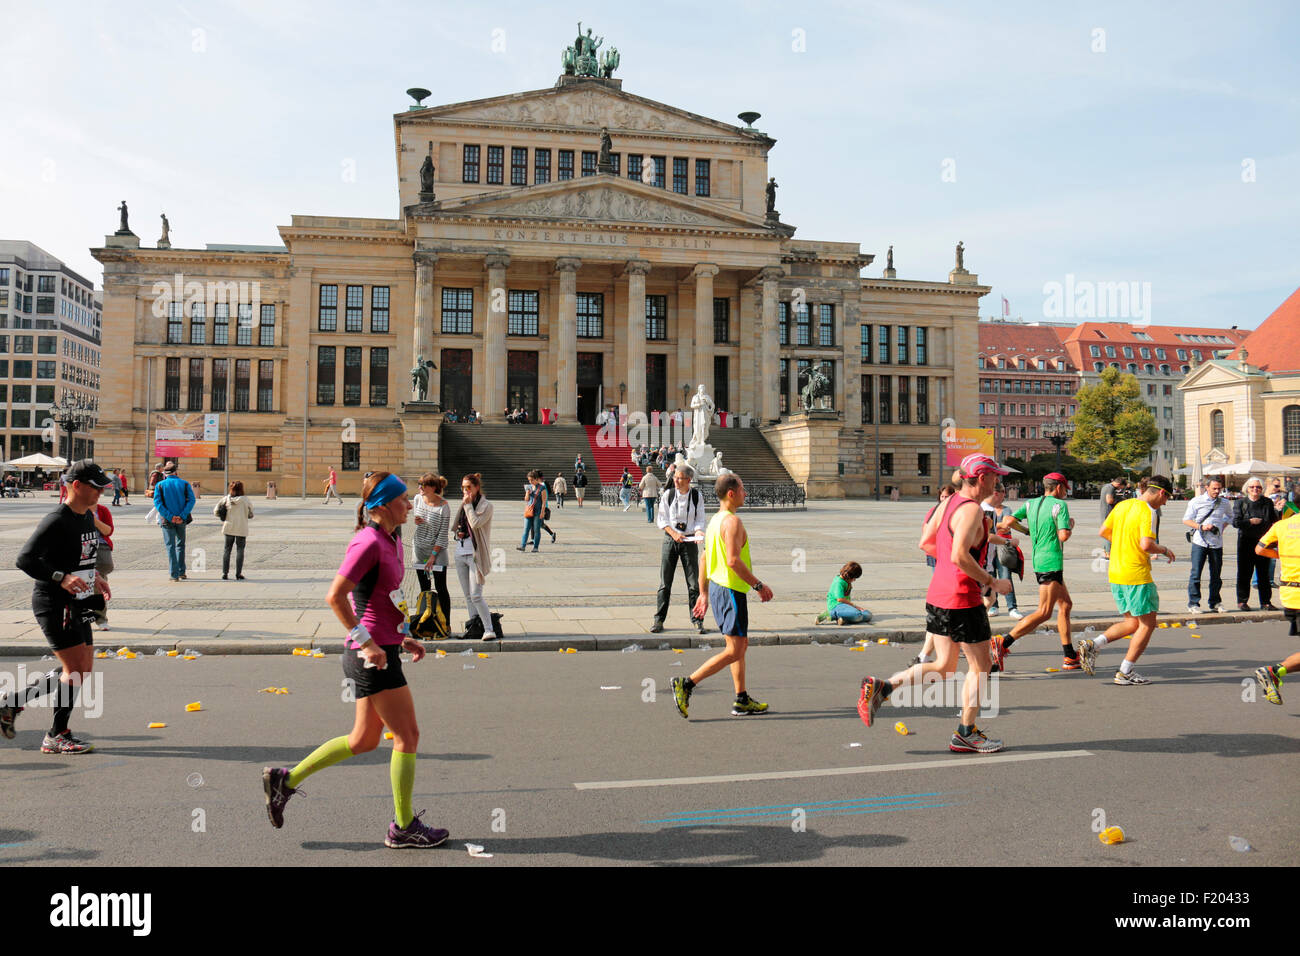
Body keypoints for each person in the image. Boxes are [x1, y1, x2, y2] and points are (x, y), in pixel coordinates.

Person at [261, 470, 446, 849]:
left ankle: (286, 780)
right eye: (402, 500)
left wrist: (401, 637)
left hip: (382, 647)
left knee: (362, 740)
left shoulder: (391, 539)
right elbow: (335, 596)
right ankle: (403, 825)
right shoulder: (367, 543)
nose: (410, 505)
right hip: (370, 657)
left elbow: (378, 600)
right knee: (407, 735)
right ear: (381, 506)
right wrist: (367, 643)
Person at [858, 454, 1013, 754]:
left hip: (938, 594)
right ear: (982, 478)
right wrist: (991, 582)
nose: (998, 482)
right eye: (995, 476)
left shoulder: (948, 502)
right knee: (982, 665)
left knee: (944, 666)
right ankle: (966, 732)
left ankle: (884, 686)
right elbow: (959, 556)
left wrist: (952, 571)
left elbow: (926, 542)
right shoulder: (970, 510)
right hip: (963, 599)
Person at [1, 460, 115, 753]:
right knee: (75, 669)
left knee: (82, 668)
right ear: (76, 486)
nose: (100, 493)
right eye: (96, 487)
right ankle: (56, 734)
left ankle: (12, 703)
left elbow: (81, 558)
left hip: (80, 601)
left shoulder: (86, 517)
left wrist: (97, 577)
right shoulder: (57, 519)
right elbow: (25, 559)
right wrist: (60, 577)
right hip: (54, 602)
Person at [671, 474, 773, 718]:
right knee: (736, 650)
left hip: (718, 588)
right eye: (742, 489)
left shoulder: (715, 521)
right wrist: (759, 586)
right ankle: (686, 683)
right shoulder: (732, 523)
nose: (745, 494)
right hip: (730, 590)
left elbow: (705, 558)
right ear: (731, 493)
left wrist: (704, 593)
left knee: (739, 646)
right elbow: (733, 560)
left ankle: (741, 698)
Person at [1077, 475, 1176, 685]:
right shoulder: (1149, 511)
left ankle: (1094, 644)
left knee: (1132, 622)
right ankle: (1125, 671)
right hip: (1136, 574)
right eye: (1167, 497)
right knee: (1147, 625)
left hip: (1116, 572)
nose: (1166, 502)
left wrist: (1123, 543)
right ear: (1161, 492)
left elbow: (1103, 531)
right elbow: (1147, 545)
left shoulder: (1122, 506)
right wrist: (1165, 550)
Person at [992, 471, 1079, 672]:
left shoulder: (1031, 503)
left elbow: (1007, 522)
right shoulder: (1060, 506)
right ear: (1058, 487)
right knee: (1044, 612)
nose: (1066, 492)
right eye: (1065, 488)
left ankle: (1070, 656)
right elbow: (1064, 536)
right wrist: (1069, 526)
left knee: (1065, 605)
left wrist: (1027, 531)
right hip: (1052, 562)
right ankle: (1003, 643)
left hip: (1040, 559)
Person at [652, 464, 708, 635]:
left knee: (693, 584)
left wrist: (698, 531)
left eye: (679, 478)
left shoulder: (697, 496)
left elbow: (700, 519)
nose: (675, 480)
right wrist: (674, 534)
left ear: (689, 480)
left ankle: (697, 619)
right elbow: (662, 520)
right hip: (671, 540)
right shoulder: (668, 495)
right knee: (665, 583)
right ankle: (659, 619)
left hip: (689, 541)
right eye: (675, 477)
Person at [1253, 506, 1300, 704]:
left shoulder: (1281, 525)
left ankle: (1274, 672)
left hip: (1290, 593)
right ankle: (1274, 671)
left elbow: (1260, 549)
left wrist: (1281, 556)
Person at [453, 473, 500, 640]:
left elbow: (475, 523)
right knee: (467, 595)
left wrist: (467, 506)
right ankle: (474, 626)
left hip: (476, 554)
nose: (465, 491)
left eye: (468, 488)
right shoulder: (465, 503)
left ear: (476, 487)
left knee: (476, 595)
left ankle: (489, 629)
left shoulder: (487, 506)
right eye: (463, 488)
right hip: (460, 552)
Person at [1182, 477, 1233, 613]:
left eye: (1219, 489)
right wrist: (1201, 527)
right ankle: (1193, 603)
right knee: (1196, 573)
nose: (1217, 491)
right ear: (1207, 488)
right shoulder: (1196, 501)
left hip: (1216, 543)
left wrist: (1222, 526)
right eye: (1214, 488)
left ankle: (1215, 602)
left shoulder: (1224, 502)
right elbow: (1186, 520)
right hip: (1199, 542)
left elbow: (1230, 516)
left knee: (1216, 574)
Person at [411, 473, 451, 631]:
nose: (420, 487)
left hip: (437, 551)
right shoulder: (417, 499)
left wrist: (433, 557)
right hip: (419, 548)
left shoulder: (444, 506)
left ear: (433, 488)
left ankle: (445, 624)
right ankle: (425, 622)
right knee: (424, 588)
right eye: (419, 484)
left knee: (441, 588)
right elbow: (418, 519)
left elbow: (442, 534)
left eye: (423, 485)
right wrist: (418, 521)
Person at [1234, 477, 1277, 610]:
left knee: (1264, 573)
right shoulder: (1241, 503)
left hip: (1263, 542)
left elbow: (1274, 521)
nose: (1255, 489)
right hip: (1245, 542)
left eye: (1258, 487)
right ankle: (1242, 601)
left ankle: (1265, 602)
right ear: (1247, 489)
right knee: (1244, 573)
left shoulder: (1267, 502)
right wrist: (1250, 522)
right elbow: (1236, 522)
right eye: (1252, 487)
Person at [153, 462, 195, 581]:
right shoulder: (185, 484)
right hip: (181, 519)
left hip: (167, 520)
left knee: (170, 546)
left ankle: (174, 574)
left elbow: (158, 503)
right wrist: (182, 515)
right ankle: (182, 572)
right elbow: (191, 500)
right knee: (180, 545)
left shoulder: (160, 485)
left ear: (165, 474)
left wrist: (170, 516)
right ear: (176, 472)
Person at [982, 483, 1017, 618]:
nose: (1005, 495)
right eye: (1004, 492)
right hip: (983, 562)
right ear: (996, 493)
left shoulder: (989, 509)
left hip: (987, 560)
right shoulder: (987, 510)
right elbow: (989, 537)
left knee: (989, 598)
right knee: (986, 599)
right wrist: (1008, 542)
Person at [215, 480, 254, 580]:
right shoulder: (245, 500)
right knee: (240, 550)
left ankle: (225, 573)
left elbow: (215, 511)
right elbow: (251, 514)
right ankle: (238, 573)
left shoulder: (226, 499)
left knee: (227, 550)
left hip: (229, 527)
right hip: (241, 527)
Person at [91, 499, 114, 629]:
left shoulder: (103, 510)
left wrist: (94, 521)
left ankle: (101, 618)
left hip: (101, 547)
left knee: (99, 581)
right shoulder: (76, 509)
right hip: (81, 548)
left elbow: (108, 531)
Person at [517, 469, 547, 553]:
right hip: (529, 510)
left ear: (536, 479)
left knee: (537, 529)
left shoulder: (542, 488)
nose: (530, 482)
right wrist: (527, 493)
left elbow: (544, 501)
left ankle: (535, 547)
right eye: (529, 480)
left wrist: (542, 512)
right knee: (526, 529)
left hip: (538, 511)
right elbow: (526, 499)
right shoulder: (528, 487)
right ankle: (523, 546)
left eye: (532, 480)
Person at [1099, 476, 1128, 556]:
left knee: (1106, 532)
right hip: (1108, 513)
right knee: (1109, 532)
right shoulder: (1110, 488)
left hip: (1104, 512)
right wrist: (1120, 500)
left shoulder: (1106, 486)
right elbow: (1109, 500)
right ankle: (1109, 552)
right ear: (1119, 484)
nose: (1121, 489)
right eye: (1121, 487)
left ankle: (1105, 551)